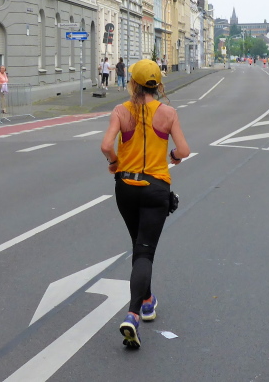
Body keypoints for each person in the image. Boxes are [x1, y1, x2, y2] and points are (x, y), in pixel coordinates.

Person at [100, 59, 190, 349]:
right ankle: (133, 314)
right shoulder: (168, 113)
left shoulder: (121, 111)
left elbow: (106, 145)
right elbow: (184, 150)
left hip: (126, 186)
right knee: (145, 252)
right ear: (158, 85)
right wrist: (173, 156)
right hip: (155, 188)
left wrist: (114, 162)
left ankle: (148, 301)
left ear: (133, 83)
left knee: (138, 246)